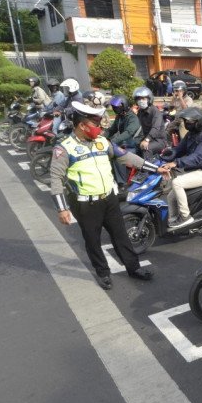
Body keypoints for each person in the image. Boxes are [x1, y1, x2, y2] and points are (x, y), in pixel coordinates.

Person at [49, 101, 166, 290]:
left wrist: (156, 168)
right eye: (95, 125)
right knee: (92, 240)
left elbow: (127, 157)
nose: (99, 128)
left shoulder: (102, 142)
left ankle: (133, 268)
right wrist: (62, 208)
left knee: (121, 235)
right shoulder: (64, 148)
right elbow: (55, 178)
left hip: (109, 199)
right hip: (85, 204)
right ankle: (103, 273)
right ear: (82, 125)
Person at [163, 107, 202, 228]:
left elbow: (198, 157)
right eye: (186, 122)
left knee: (176, 183)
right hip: (194, 170)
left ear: (199, 122)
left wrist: (176, 163)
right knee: (171, 196)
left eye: (190, 122)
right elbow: (179, 149)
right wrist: (167, 155)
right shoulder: (191, 134)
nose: (187, 124)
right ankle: (173, 220)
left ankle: (185, 216)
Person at [134, 87, 168, 160]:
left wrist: (147, 140)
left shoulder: (155, 112)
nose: (141, 101)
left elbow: (155, 128)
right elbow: (136, 126)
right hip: (146, 138)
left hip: (159, 140)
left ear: (149, 99)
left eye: (143, 99)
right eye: (139, 99)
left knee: (146, 148)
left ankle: (148, 169)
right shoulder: (140, 112)